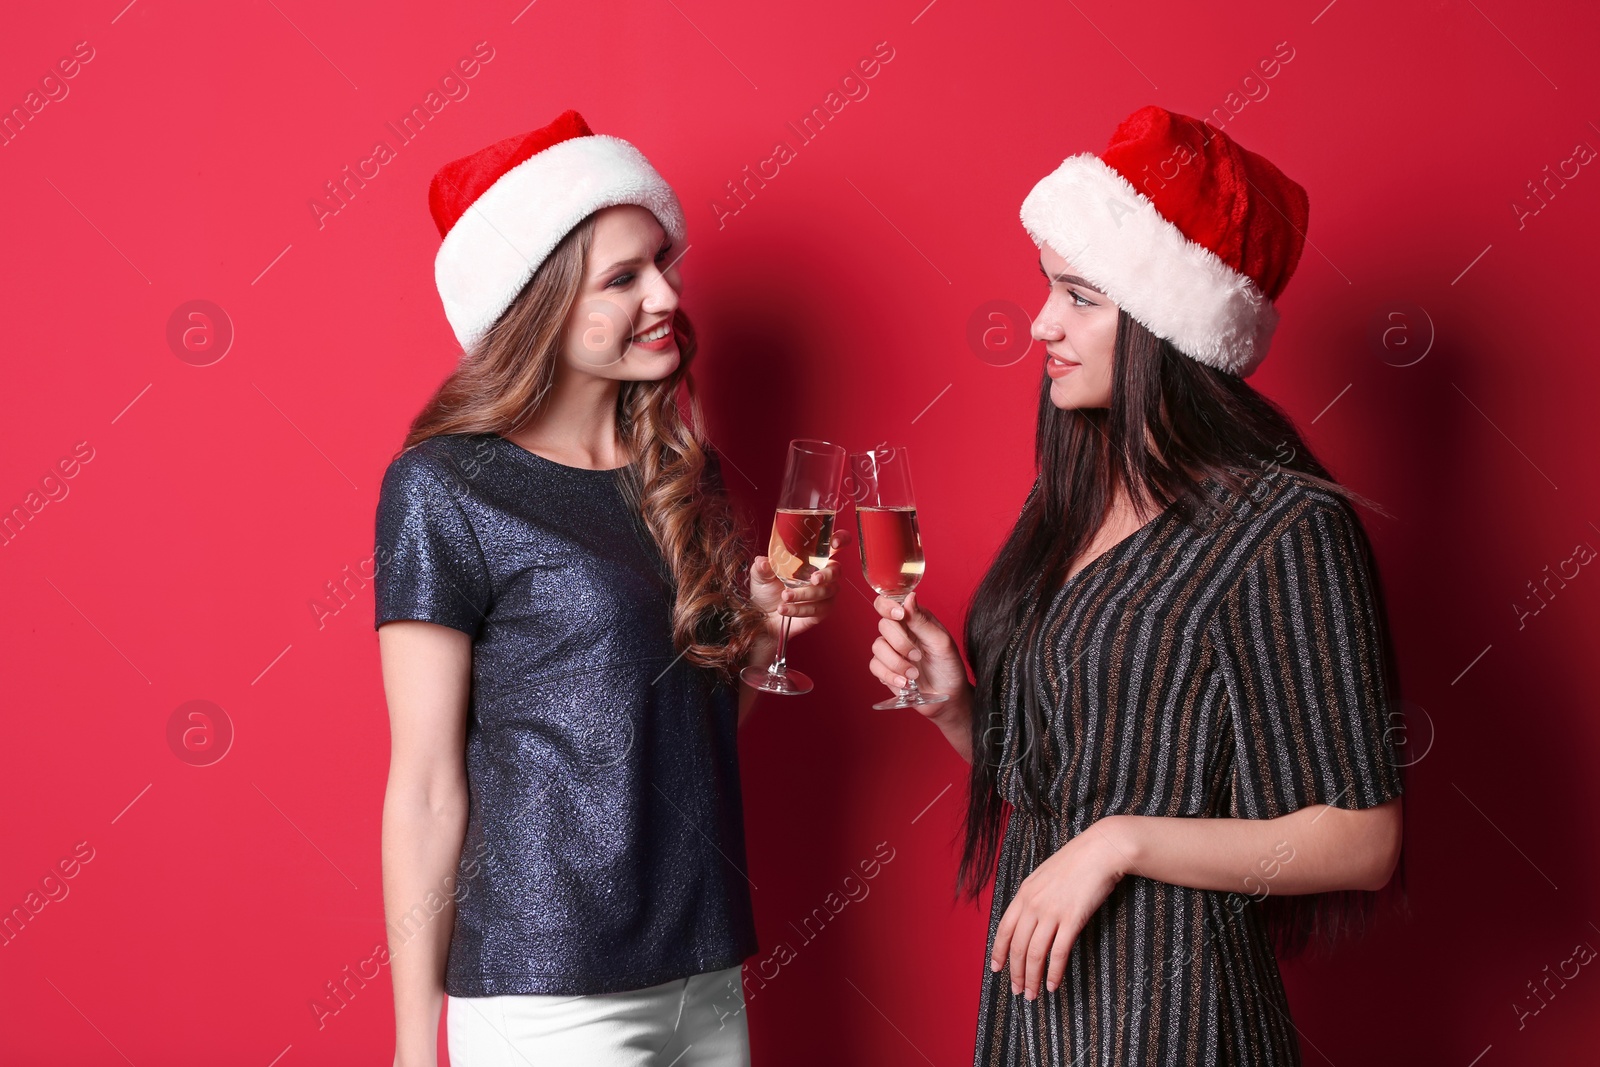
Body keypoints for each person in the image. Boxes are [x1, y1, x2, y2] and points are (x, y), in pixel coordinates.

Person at [868, 105, 1406, 1066]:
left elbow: (1364, 839)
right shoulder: (1074, 500)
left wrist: (1121, 842)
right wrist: (958, 708)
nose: (1040, 323)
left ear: (1166, 323)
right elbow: (1057, 789)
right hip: (1036, 1026)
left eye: (1080, 296)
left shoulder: (1286, 527)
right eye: (1048, 289)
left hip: (1179, 1027)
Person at [374, 110, 843, 1067]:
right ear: (539, 303)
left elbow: (684, 732)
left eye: (662, 263)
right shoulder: (443, 485)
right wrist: (414, 1043)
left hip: (703, 970)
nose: (667, 294)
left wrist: (761, 637)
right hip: (547, 988)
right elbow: (424, 787)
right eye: (623, 278)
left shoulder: (680, 471)